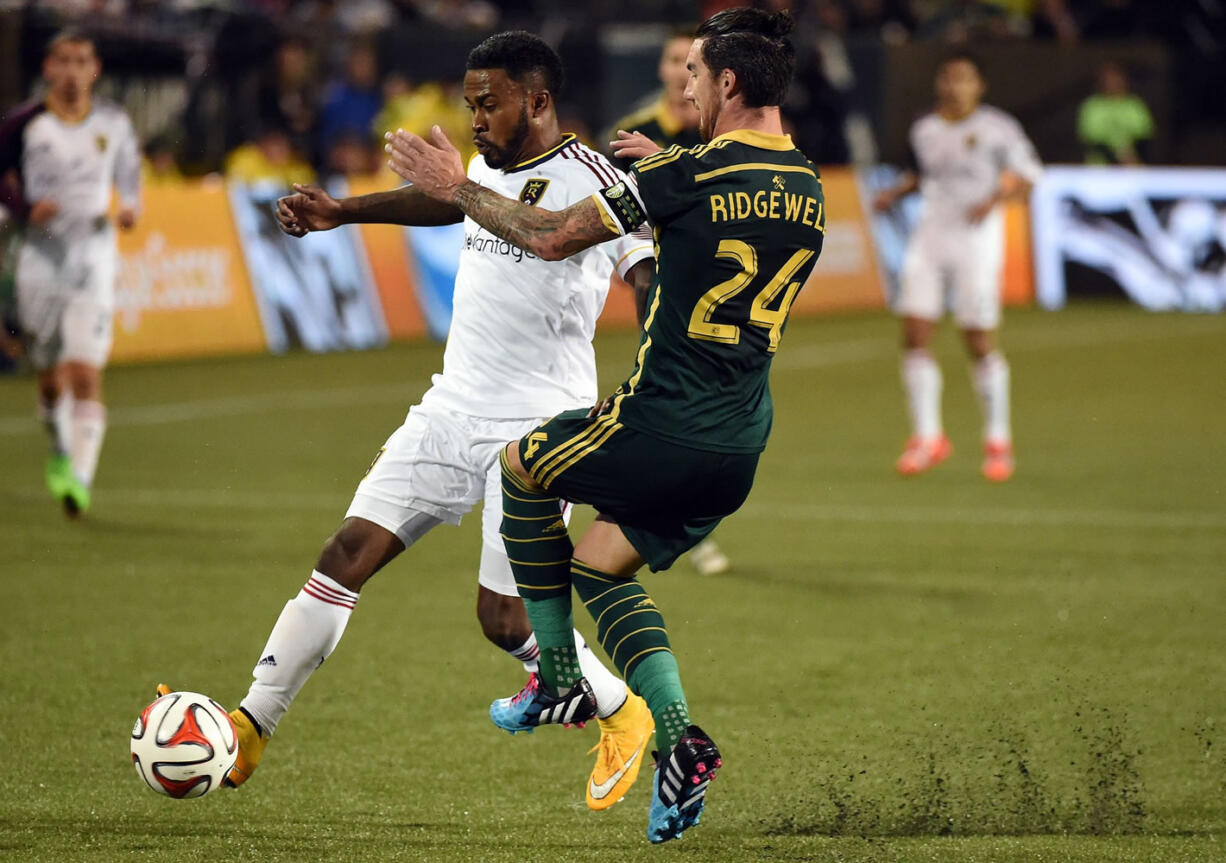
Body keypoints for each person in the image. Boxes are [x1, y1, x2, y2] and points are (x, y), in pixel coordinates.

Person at [162, 31, 657, 814]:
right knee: (345, 553)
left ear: (538, 99)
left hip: (537, 429)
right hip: (450, 405)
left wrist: (664, 359)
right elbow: (449, 201)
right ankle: (251, 726)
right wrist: (344, 211)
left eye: (487, 103)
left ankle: (624, 710)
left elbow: (641, 269)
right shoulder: (487, 169)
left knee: (503, 620)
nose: (475, 118)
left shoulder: (594, 176)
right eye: (468, 105)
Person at [386, 7, 822, 843]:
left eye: (693, 75)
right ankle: (682, 740)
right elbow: (731, 198)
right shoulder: (804, 182)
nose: (684, 88)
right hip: (739, 446)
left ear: (727, 83)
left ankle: (556, 676)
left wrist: (458, 187)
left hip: (661, 422)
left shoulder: (687, 174)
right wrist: (677, 167)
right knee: (602, 566)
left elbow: (550, 236)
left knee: (518, 465)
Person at [873, 51, 1041, 482]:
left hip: (975, 241)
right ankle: (928, 437)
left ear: (979, 86)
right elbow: (923, 176)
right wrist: (896, 193)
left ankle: (997, 439)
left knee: (977, 338)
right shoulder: (924, 127)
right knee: (914, 333)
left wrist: (995, 200)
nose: (954, 86)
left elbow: (1029, 177)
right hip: (930, 237)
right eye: (948, 78)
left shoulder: (997, 128)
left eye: (963, 78)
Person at [604, 29, 731, 577]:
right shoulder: (635, 134)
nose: (685, 71)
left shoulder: (723, 135)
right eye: (677, 59)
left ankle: (663, 516)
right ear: (662, 68)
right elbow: (613, 216)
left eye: (694, 62)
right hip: (658, 290)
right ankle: (670, 523)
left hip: (713, 298)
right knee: (669, 405)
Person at [0, 29, 140, 516]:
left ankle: (78, 479)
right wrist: (23, 207)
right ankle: (60, 450)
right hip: (40, 258)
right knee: (49, 378)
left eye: (82, 61)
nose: (73, 71)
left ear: (94, 69)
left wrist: (131, 208)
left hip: (95, 256)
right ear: (48, 70)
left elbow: (128, 173)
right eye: (64, 61)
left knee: (84, 370)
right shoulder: (25, 123)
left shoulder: (113, 121)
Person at [603, 29, 703, 174]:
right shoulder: (632, 132)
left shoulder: (720, 130)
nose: (682, 72)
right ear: (661, 68)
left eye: (691, 64)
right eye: (675, 60)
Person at [1077, 61, 1154, 166]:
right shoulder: (1092, 106)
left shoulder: (1135, 105)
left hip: (1131, 169)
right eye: (1108, 79)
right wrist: (1117, 158)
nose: (1112, 82)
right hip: (1100, 171)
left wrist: (1130, 158)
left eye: (1115, 78)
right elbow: (1090, 141)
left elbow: (1144, 138)